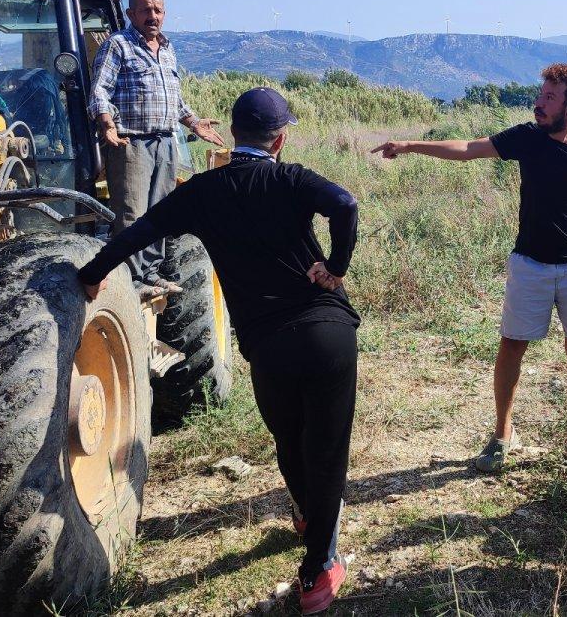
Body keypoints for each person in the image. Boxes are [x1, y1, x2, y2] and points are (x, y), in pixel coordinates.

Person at [78, 87, 358, 614]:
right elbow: (345, 203)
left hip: (268, 343)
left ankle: (305, 514)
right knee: (327, 445)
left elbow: (139, 232)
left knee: (288, 435)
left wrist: (92, 274)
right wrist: (336, 268)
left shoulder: (202, 192)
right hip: (326, 332)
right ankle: (319, 568)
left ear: (232, 135)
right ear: (280, 139)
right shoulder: (290, 177)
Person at [372, 63, 567, 470]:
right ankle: (502, 435)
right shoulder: (527, 138)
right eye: (540, 95)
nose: (539, 103)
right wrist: (410, 145)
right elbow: (468, 149)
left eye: (549, 98)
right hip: (530, 264)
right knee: (512, 346)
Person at [88, 0, 225, 296]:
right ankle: (132, 279)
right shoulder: (118, 45)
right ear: (130, 14)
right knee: (132, 214)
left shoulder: (166, 49)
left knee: (161, 213)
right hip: (131, 144)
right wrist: (107, 124)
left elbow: (173, 99)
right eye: (145, 10)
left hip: (165, 142)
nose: (153, 16)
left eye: (158, 11)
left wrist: (192, 121)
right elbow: (100, 91)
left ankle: (151, 273)